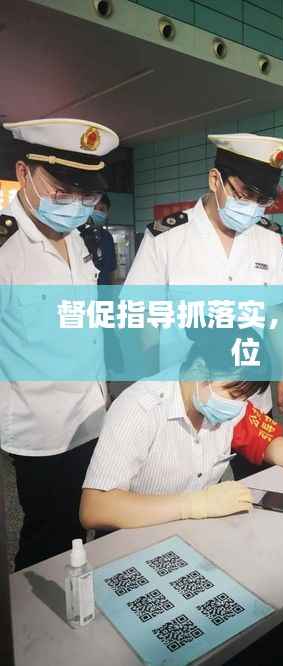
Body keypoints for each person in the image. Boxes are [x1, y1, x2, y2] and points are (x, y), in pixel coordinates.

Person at [125, 133, 283, 478]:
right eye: (245, 194)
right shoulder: (167, 238)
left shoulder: (268, 238)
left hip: (250, 396)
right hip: (187, 399)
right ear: (215, 179)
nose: (252, 207)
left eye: (263, 200)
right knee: (186, 489)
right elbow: (142, 317)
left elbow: (277, 312)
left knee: (259, 485)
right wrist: (153, 389)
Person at [0, 118, 119, 570]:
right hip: (43, 431)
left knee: (100, 525)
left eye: (85, 195)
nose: (75, 205)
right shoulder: (6, 249)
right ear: (24, 173)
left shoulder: (81, 237)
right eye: (62, 190)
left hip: (94, 416)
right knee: (50, 538)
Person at [80, 327, 283, 529]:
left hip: (195, 532)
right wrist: (193, 505)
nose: (238, 406)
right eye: (234, 394)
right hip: (136, 537)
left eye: (244, 398)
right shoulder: (140, 409)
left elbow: (269, 442)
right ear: (200, 369)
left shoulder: (226, 404)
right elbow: (95, 508)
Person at [79, 193, 117, 285]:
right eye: (93, 208)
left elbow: (111, 269)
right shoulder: (76, 235)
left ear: (107, 212)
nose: (96, 212)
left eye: (101, 209)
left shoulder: (107, 237)